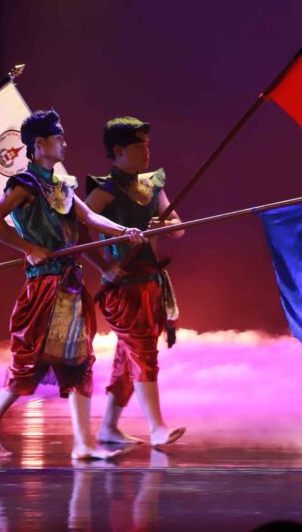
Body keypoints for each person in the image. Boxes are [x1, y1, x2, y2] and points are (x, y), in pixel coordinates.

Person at [0, 110, 144, 460]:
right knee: (32, 361)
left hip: (70, 284)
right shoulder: (25, 184)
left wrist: (124, 231)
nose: (65, 143)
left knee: (80, 361)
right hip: (44, 286)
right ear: (39, 144)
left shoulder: (62, 185)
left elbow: (90, 217)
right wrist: (29, 248)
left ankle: (83, 444)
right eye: (59, 137)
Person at [85, 117, 186, 448]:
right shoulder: (104, 192)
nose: (146, 150)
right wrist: (105, 267)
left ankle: (108, 428)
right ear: (119, 150)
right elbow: (76, 230)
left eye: (147, 144)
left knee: (130, 357)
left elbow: (179, 229)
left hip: (151, 285)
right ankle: (157, 427)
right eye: (139, 145)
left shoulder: (153, 184)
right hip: (123, 290)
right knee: (143, 352)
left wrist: (164, 224)